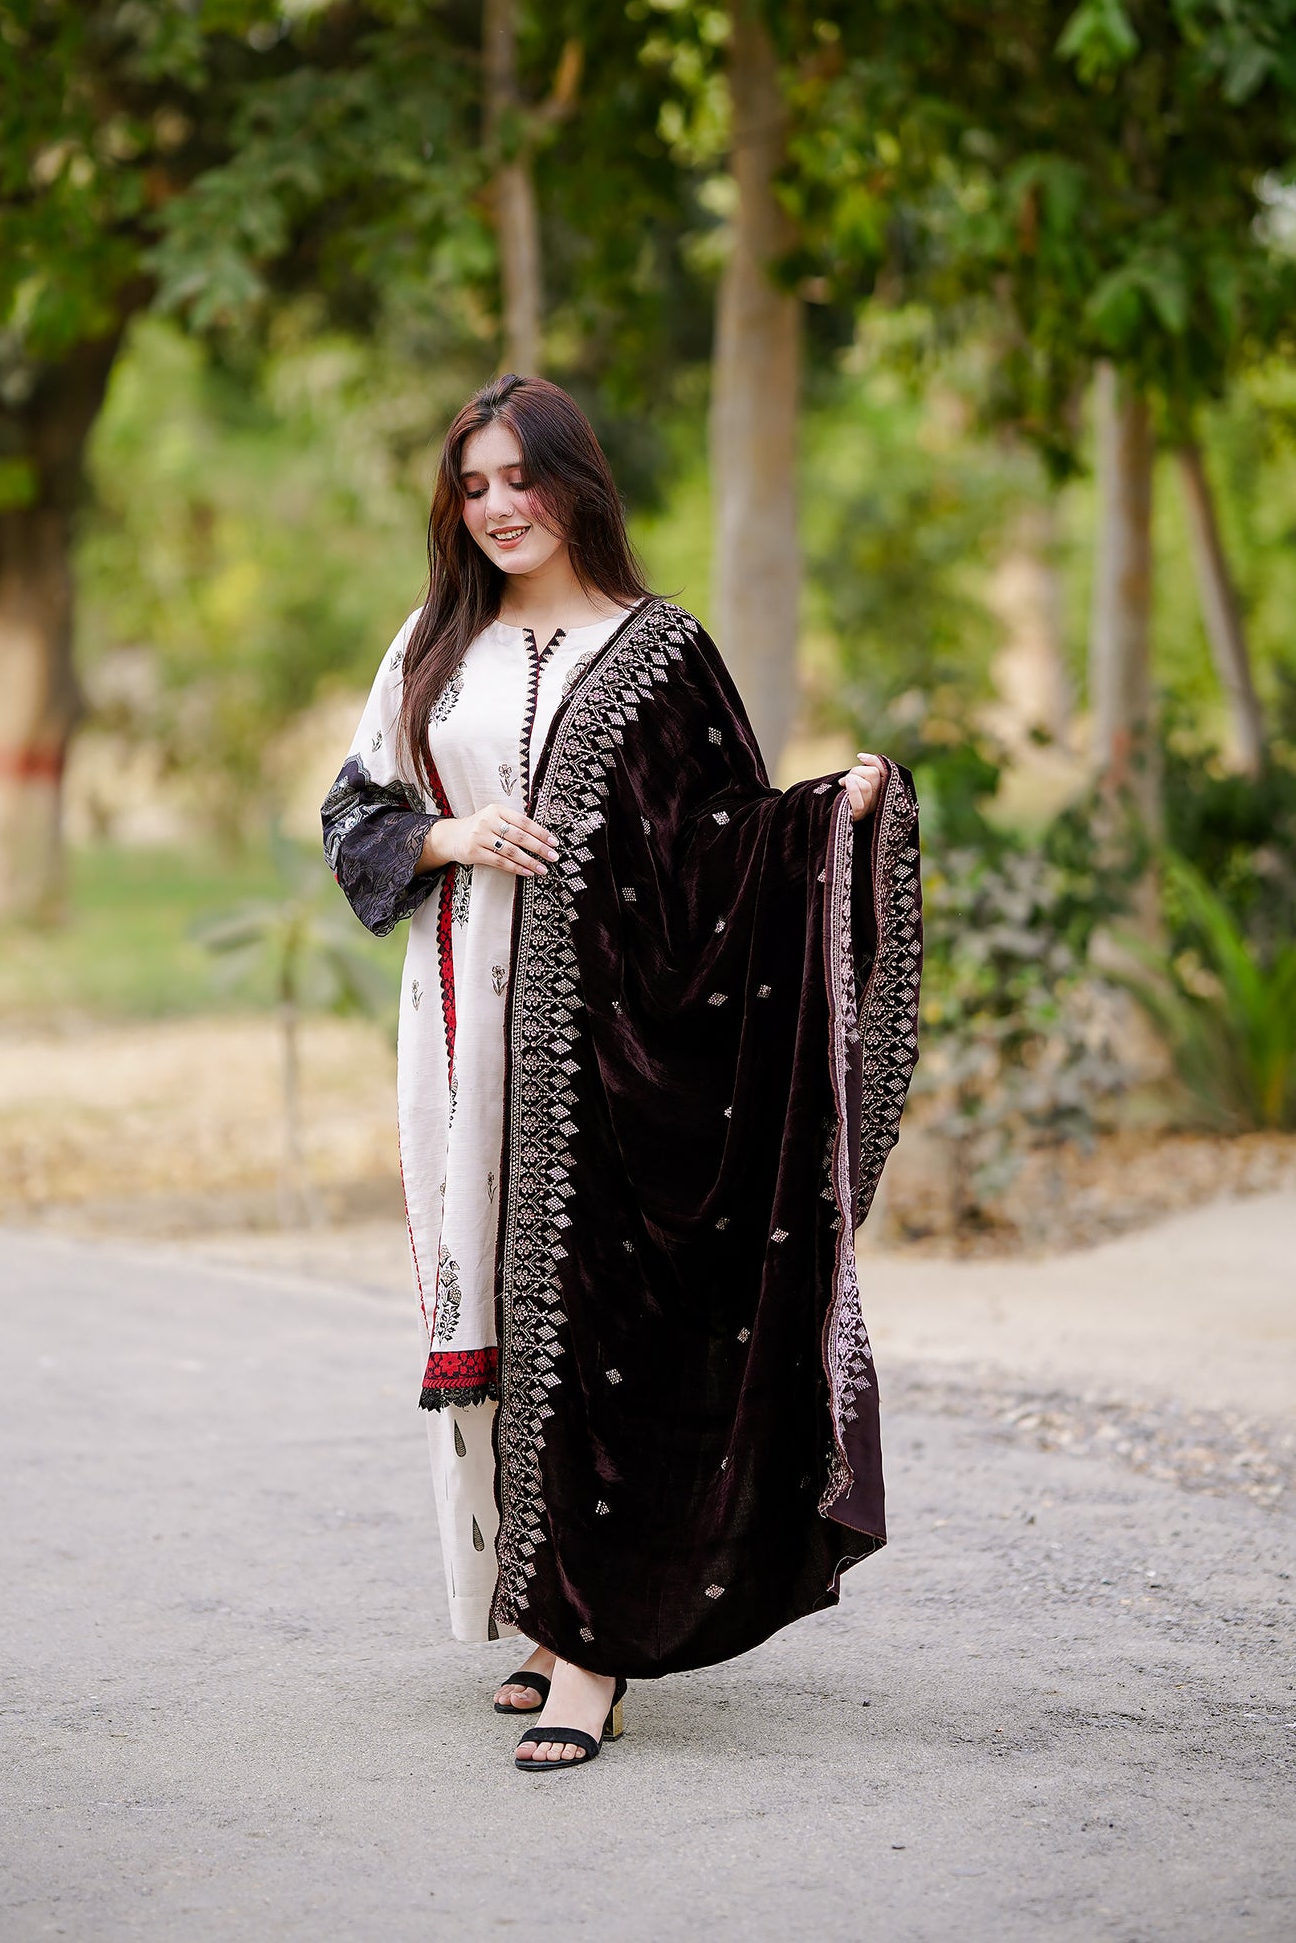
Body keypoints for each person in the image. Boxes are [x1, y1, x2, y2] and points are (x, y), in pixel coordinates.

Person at [321, 373, 921, 1773]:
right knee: (501, 1315)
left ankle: (594, 1651)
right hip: (464, 1041)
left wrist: (832, 822)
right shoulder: (432, 646)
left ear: (575, 484)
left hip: (620, 1049)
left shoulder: (658, 648)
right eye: (471, 487)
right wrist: (443, 840)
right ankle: (543, 1610)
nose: (496, 509)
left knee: (601, 1317)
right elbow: (355, 811)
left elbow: (721, 842)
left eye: (518, 479)